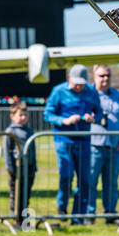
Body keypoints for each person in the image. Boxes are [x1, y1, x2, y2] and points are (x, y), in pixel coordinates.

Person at [44, 64, 103, 225]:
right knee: (66, 175)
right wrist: (64, 120)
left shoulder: (91, 91)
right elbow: (47, 114)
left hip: (84, 140)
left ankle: (78, 217)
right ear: (69, 78)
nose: (79, 86)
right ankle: (62, 207)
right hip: (64, 140)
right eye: (76, 83)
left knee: (84, 179)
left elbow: (99, 112)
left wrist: (93, 118)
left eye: (82, 83)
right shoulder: (58, 91)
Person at [86, 64, 119, 225]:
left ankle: (110, 214)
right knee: (90, 181)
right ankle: (89, 215)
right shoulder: (88, 94)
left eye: (107, 76)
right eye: (101, 76)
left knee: (111, 183)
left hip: (114, 147)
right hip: (93, 146)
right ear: (94, 77)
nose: (105, 79)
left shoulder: (118, 95)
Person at [3, 102, 37, 226]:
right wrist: (10, 167)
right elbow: (7, 150)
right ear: (12, 116)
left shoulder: (30, 130)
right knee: (15, 193)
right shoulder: (10, 131)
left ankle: (24, 217)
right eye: (20, 115)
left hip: (29, 168)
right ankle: (16, 217)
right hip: (16, 169)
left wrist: (34, 166)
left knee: (26, 192)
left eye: (25, 115)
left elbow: (33, 150)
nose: (23, 117)